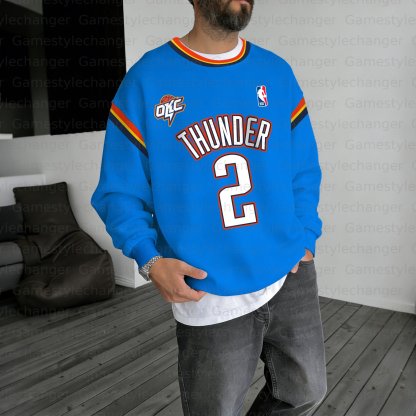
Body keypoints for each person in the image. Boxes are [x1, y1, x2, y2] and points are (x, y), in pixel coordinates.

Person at [90, 0, 327, 414]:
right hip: (206, 290)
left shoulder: (276, 73)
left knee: (304, 392)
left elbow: (303, 168)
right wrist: (149, 261)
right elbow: (119, 191)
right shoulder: (148, 79)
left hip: (289, 274)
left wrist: (306, 236)